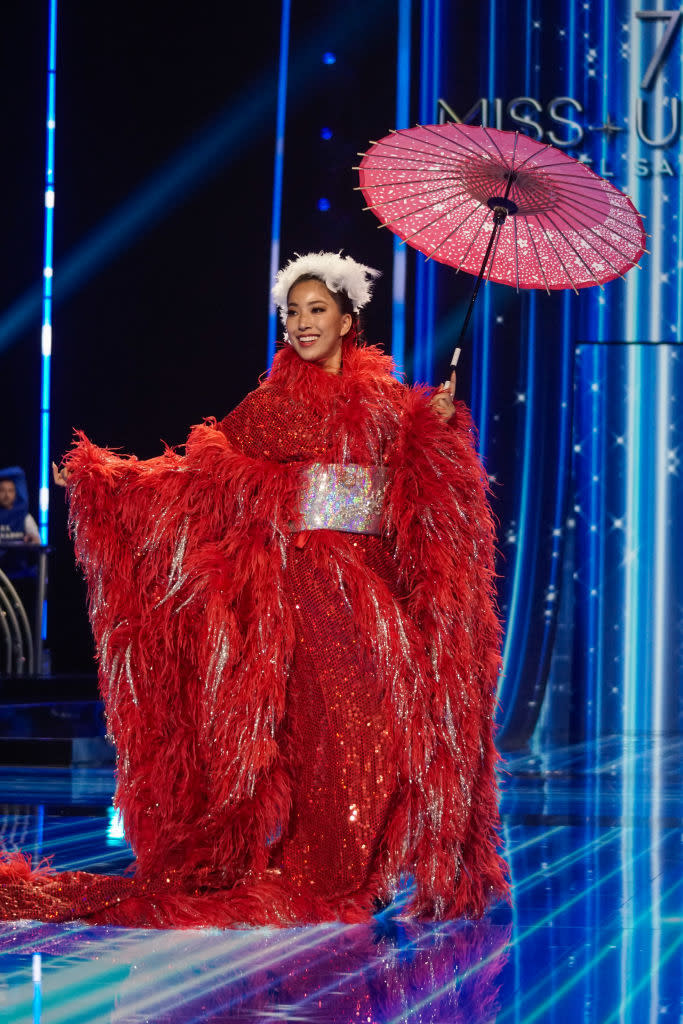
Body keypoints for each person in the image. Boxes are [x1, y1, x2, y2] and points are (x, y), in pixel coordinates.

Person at [0, 252, 508, 928]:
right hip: (297, 596)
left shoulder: (393, 408)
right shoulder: (268, 407)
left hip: (372, 594)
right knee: (320, 732)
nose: (300, 323)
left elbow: (431, 503)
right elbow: (195, 479)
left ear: (348, 321)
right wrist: (108, 481)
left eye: (314, 310)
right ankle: (329, 871)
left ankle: (367, 867)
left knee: (384, 728)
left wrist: (437, 430)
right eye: (291, 312)